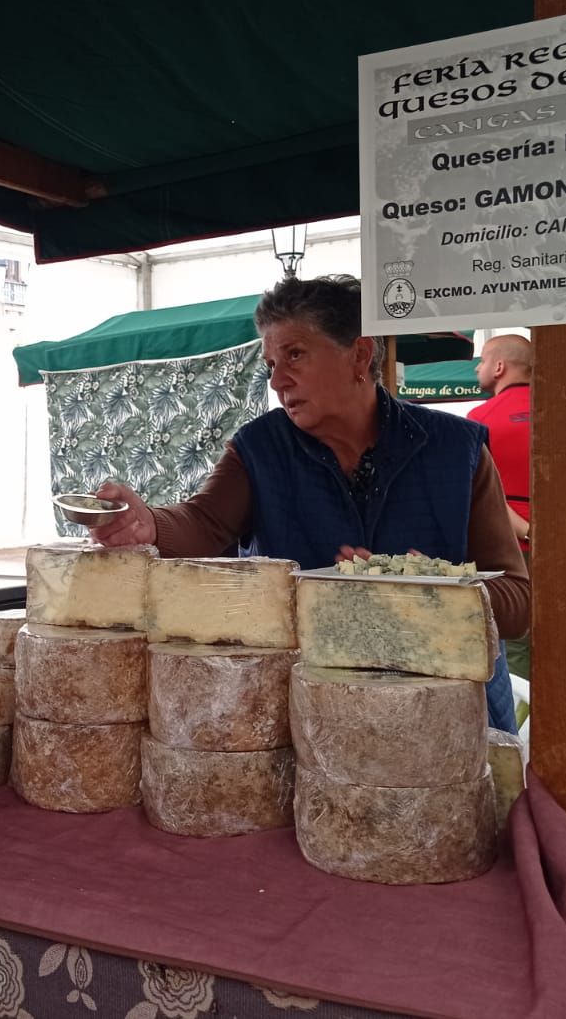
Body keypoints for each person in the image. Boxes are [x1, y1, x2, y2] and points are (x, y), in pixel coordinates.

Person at [93, 275, 530, 733]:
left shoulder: (455, 448)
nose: (278, 381)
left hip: (448, 712)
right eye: (271, 364)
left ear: (360, 355)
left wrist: (427, 594)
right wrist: (148, 524)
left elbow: (518, 603)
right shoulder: (260, 447)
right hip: (315, 706)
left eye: (295, 355)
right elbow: (204, 521)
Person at [467, 334, 533, 548]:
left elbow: (478, 493)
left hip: (505, 542)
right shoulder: (562, 411)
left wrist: (528, 531)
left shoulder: (481, 418)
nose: (477, 368)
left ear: (499, 367)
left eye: (483, 360)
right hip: (565, 537)